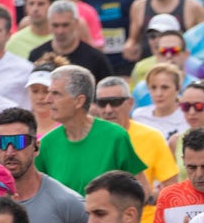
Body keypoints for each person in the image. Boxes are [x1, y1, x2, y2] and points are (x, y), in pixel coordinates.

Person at [0, 105, 96, 223]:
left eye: (19, 142)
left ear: (36, 147)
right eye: (3, 142)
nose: (10, 151)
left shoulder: (66, 202)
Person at [35, 66, 148, 198]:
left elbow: (142, 190)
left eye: (56, 94)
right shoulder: (46, 144)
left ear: (79, 101)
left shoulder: (115, 136)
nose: (47, 99)